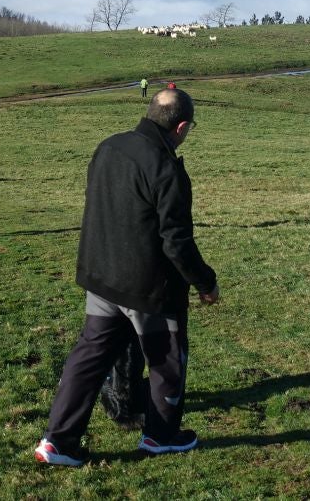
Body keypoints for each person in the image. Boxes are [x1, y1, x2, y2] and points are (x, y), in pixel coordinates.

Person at [34, 87, 220, 467]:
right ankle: (161, 436)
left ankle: (58, 441)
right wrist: (205, 282)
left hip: (101, 275)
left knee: (88, 359)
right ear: (181, 127)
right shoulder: (167, 169)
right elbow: (177, 242)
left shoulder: (109, 147)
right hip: (148, 287)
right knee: (168, 360)